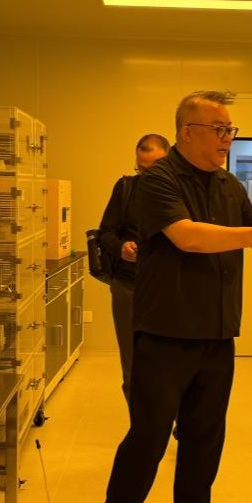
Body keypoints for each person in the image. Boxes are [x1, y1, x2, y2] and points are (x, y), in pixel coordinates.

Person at [99, 91, 252, 503]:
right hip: (165, 332)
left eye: (230, 130)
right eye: (219, 129)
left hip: (216, 332)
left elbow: (251, 234)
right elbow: (187, 237)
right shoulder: (156, 181)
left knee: (205, 434)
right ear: (187, 132)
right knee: (149, 434)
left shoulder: (228, 185)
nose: (227, 138)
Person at [98, 133, 170, 401]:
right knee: (132, 363)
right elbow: (105, 233)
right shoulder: (126, 188)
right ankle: (139, 420)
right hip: (128, 285)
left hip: (168, 289)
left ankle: (170, 417)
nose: (147, 175)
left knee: (168, 362)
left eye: (154, 168)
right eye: (142, 168)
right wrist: (121, 247)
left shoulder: (181, 192)